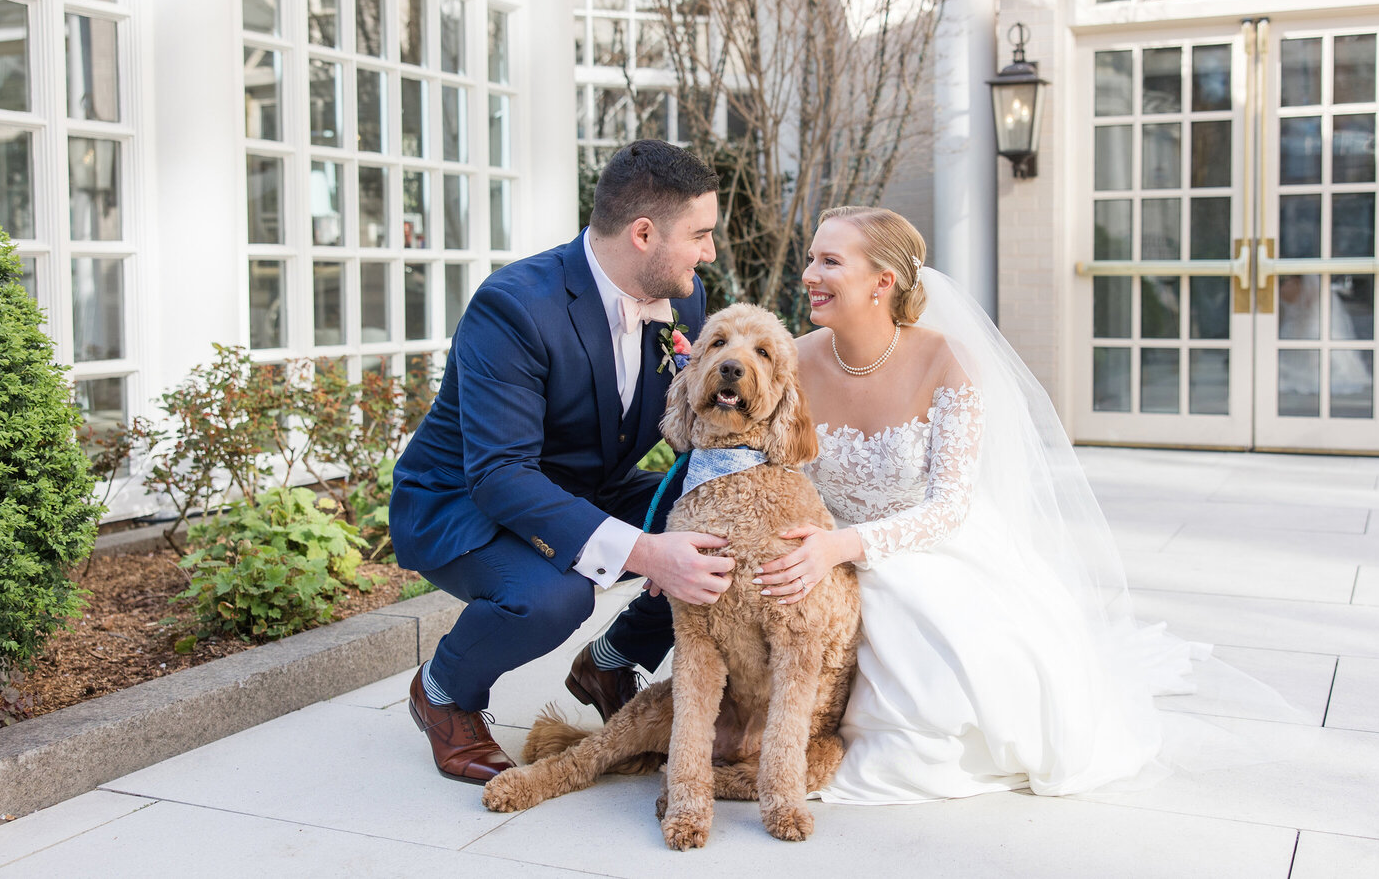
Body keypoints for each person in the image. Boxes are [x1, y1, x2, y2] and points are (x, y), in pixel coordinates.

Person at [753, 206, 1272, 802]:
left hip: (921, 543)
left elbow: (949, 507)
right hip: (820, 540)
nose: (808, 274)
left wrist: (846, 547)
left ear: (882, 282)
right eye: (812, 258)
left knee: (917, 633)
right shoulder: (794, 360)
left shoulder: (947, 361)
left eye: (829, 261)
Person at [389, 140, 735, 785]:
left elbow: (689, 425)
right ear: (643, 233)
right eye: (701, 234)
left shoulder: (683, 298)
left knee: (726, 532)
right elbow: (500, 474)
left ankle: (611, 658)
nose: (709, 252)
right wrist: (648, 553)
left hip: (586, 486)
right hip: (463, 498)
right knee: (554, 596)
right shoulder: (515, 306)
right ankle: (443, 691)